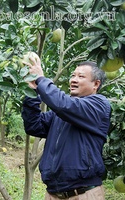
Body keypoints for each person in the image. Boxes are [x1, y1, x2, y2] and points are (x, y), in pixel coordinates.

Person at [21, 54, 111, 200]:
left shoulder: (99, 105)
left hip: (84, 194)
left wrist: (41, 80)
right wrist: (32, 93)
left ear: (96, 84)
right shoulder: (62, 113)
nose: (74, 80)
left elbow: (63, 105)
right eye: (73, 75)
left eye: (81, 76)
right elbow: (34, 126)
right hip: (53, 194)